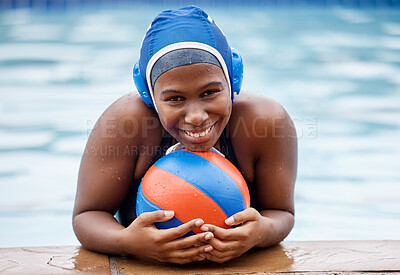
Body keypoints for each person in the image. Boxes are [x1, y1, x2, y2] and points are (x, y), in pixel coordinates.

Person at [72, 5, 297, 264]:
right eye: (175, 99)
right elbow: (87, 215)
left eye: (210, 93)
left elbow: (281, 212)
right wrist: (129, 242)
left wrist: (261, 232)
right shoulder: (125, 123)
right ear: (150, 97)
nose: (196, 116)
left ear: (233, 81)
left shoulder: (266, 123)